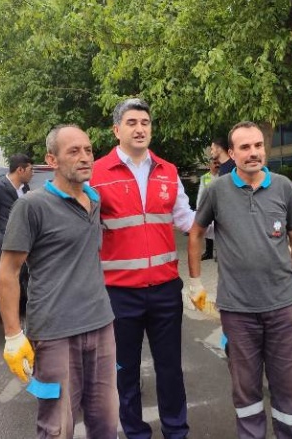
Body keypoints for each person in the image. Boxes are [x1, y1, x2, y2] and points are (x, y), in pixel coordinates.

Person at [188, 121, 292, 439]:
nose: (253, 152)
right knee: (245, 386)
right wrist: (195, 281)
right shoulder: (217, 190)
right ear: (231, 153)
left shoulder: (284, 187)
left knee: (287, 382)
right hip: (237, 309)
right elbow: (196, 232)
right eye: (244, 147)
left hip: (282, 306)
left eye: (257, 145)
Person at [0, 125, 118, 438]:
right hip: (54, 334)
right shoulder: (31, 206)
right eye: (73, 151)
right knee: (57, 427)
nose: (84, 157)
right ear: (52, 160)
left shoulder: (94, 199)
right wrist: (13, 335)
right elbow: (8, 270)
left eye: (88, 150)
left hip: (101, 326)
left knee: (105, 421)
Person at [90, 98, 195, 439]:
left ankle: (176, 431)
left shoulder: (168, 170)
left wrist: (230, 223)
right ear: (116, 130)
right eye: (132, 122)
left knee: (170, 370)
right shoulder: (96, 173)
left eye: (145, 122)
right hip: (119, 293)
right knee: (125, 371)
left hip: (165, 289)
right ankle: (135, 433)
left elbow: (186, 220)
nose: (140, 128)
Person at [0, 153, 33, 265]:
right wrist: (4, 240)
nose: (32, 174)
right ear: (20, 170)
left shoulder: (25, 188)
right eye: (30, 170)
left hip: (27, 251)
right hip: (7, 253)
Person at [197, 158, 220, 261]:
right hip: (208, 207)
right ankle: (208, 252)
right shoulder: (204, 178)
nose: (217, 165)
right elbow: (201, 193)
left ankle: (219, 254)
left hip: (220, 207)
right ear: (209, 165)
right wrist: (199, 208)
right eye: (215, 163)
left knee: (221, 230)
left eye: (218, 163)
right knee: (208, 229)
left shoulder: (222, 176)